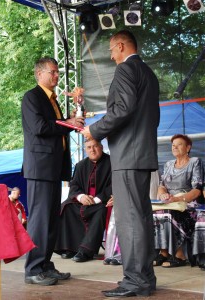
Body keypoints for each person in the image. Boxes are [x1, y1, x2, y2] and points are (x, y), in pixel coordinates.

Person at [81, 30, 160, 297]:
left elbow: (123, 108)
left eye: (112, 50)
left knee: (130, 220)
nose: (112, 56)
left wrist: (95, 129)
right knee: (141, 217)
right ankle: (145, 278)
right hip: (141, 153)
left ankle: (135, 280)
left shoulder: (126, 71)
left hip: (128, 155)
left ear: (122, 46)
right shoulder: (148, 73)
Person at [21, 57, 85, 286]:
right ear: (40, 74)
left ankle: (46, 265)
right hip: (40, 168)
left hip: (53, 168)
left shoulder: (53, 100)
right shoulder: (32, 97)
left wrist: (71, 123)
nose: (57, 76)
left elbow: (57, 127)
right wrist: (67, 123)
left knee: (50, 220)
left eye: (58, 72)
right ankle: (32, 269)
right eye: (53, 72)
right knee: (39, 221)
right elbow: (39, 127)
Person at [54, 139, 112, 262]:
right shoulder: (80, 165)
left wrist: (96, 199)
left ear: (101, 147)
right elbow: (74, 186)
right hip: (83, 202)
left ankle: (86, 251)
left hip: (101, 202)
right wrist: (81, 197)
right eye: (89, 147)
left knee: (101, 210)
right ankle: (69, 248)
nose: (92, 150)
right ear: (85, 150)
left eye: (95, 146)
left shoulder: (112, 163)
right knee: (66, 206)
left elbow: (114, 186)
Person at [154, 134, 204, 268]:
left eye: (179, 144)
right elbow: (161, 186)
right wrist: (163, 194)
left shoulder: (195, 162)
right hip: (171, 201)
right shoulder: (169, 164)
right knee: (157, 211)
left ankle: (179, 255)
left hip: (189, 202)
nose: (175, 147)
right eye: (173, 145)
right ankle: (163, 252)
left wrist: (177, 198)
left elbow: (197, 189)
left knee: (169, 211)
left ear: (188, 147)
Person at [103, 171, 159, 266]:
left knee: (130, 210)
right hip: (128, 183)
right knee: (117, 208)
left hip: (141, 193)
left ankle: (124, 255)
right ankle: (112, 253)